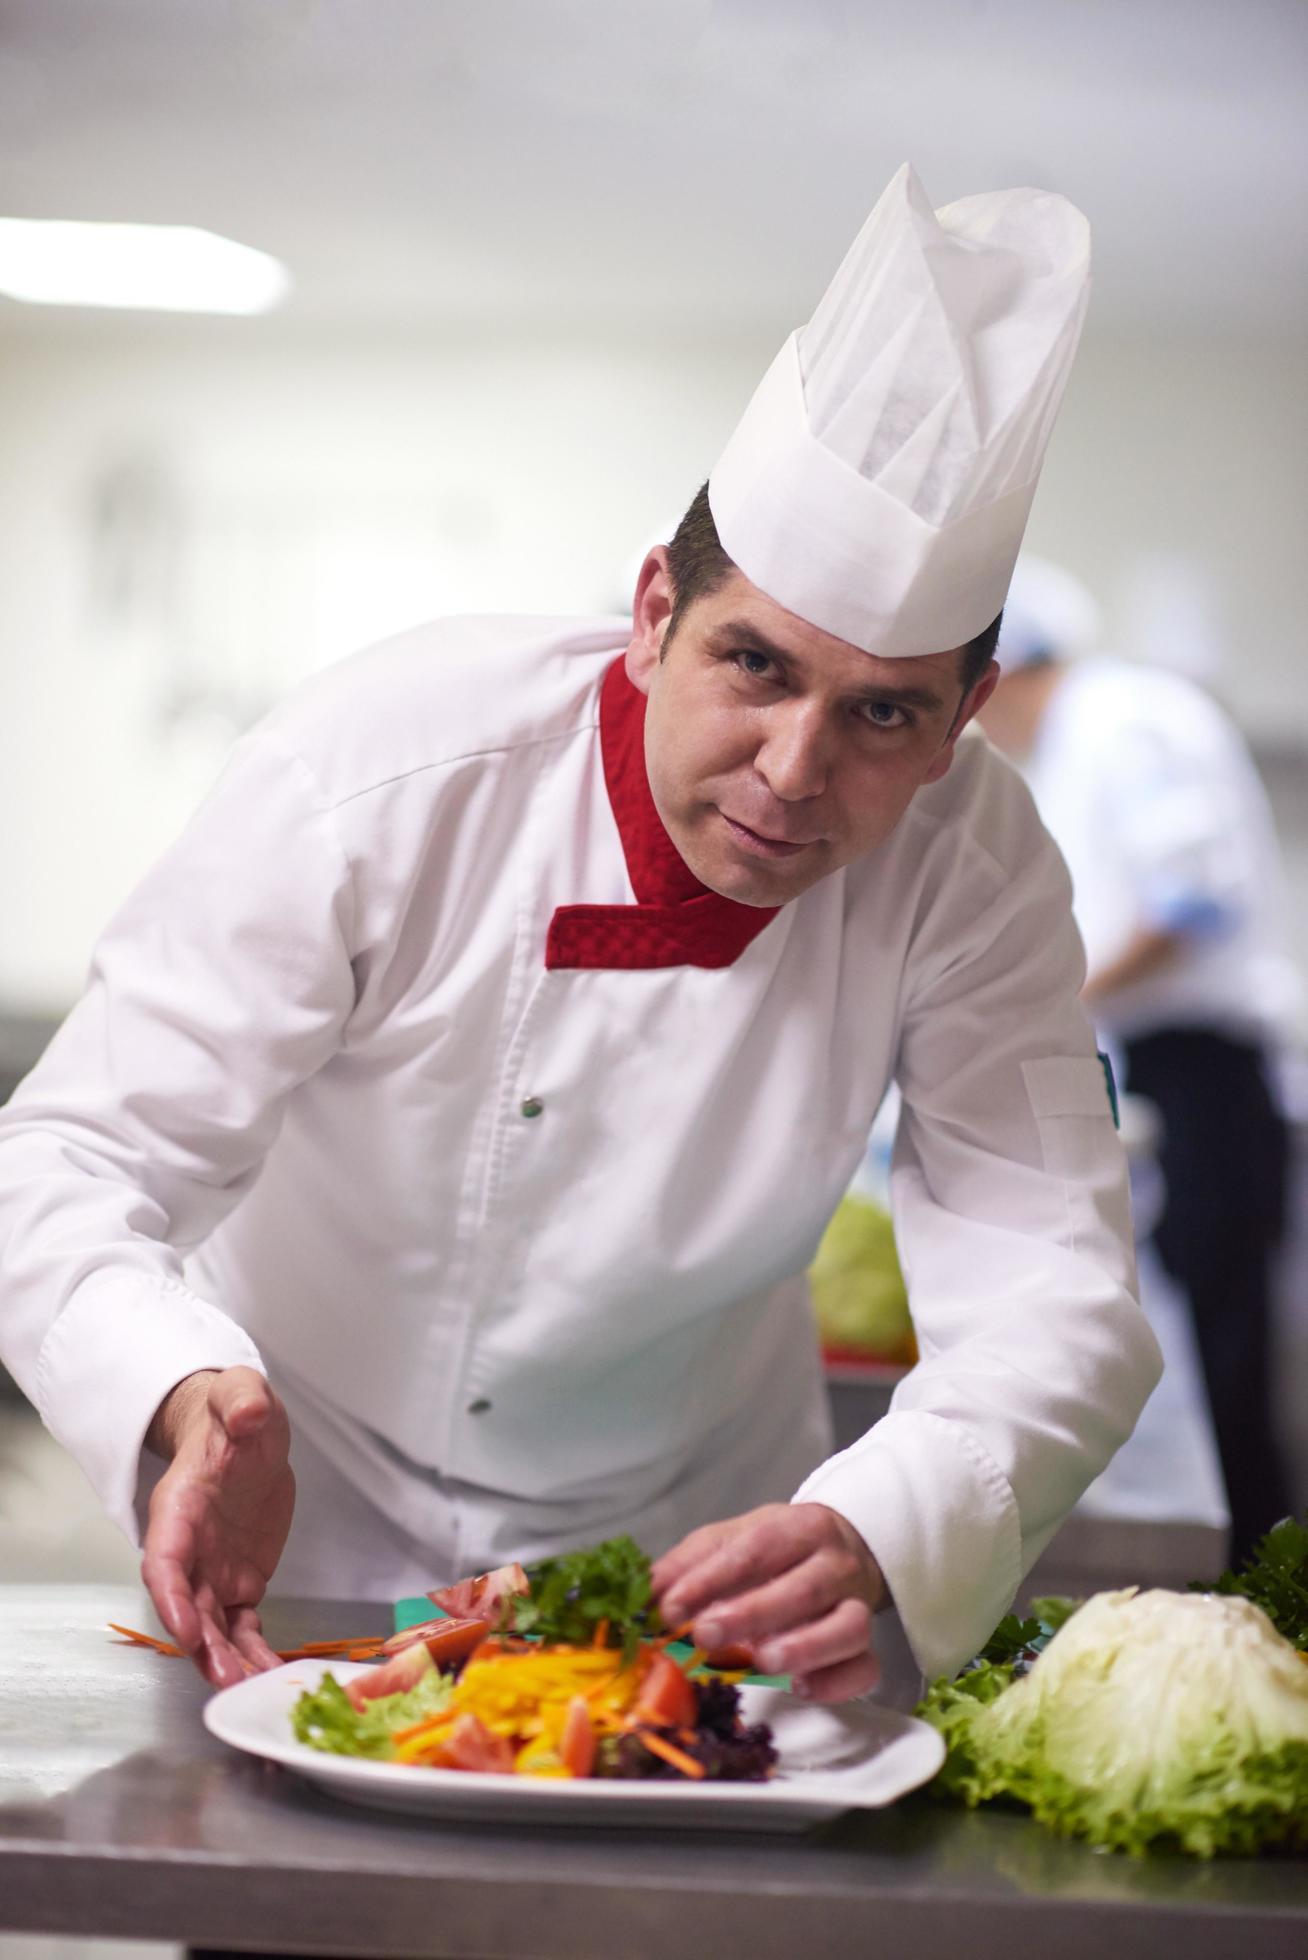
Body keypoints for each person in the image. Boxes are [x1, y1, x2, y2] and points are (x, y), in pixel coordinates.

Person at [0, 165, 1160, 1697]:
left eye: (884, 710)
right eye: (756, 665)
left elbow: (1050, 1280)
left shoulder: (977, 865)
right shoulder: (378, 771)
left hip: (691, 1574)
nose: (795, 769)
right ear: (650, 615)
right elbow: (67, 1163)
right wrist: (182, 1387)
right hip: (299, 1541)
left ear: (964, 720)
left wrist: (884, 1521)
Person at [980, 558, 1300, 1562]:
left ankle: (1263, 1603)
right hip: (1162, 1066)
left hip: (1206, 1073)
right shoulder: (1079, 739)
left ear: (1003, 671)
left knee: (1219, 1363)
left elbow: (1187, 906)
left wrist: (1047, 1004)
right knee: (1197, 1356)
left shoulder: (1126, 719)